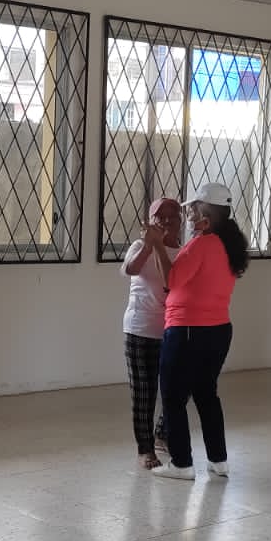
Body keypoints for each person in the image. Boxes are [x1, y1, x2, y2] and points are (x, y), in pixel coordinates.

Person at [153, 183, 249, 481]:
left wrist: (157, 244)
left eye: (193, 209)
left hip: (188, 330)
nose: (189, 214)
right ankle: (218, 460)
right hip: (217, 330)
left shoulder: (203, 244)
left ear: (206, 214)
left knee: (173, 397)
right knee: (207, 395)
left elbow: (171, 279)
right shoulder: (228, 244)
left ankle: (181, 463)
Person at [121, 197, 182, 469]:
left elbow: (172, 284)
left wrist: (159, 246)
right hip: (140, 328)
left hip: (173, 330)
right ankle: (145, 449)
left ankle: (162, 434)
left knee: (176, 389)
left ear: (181, 221)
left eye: (173, 216)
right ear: (150, 221)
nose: (166, 221)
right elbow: (130, 269)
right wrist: (149, 244)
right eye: (160, 216)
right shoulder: (139, 246)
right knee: (144, 393)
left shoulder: (184, 253)